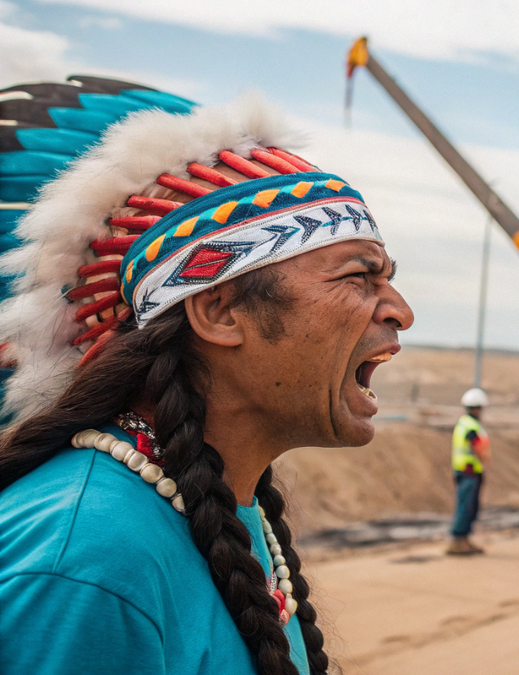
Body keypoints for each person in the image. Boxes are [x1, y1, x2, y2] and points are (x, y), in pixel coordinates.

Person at [0, 77, 412, 675]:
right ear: (220, 312)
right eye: (358, 277)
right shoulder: (88, 563)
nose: (400, 309)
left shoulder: (213, 512)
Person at [448, 388, 490, 555]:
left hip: (465, 471)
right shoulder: (471, 426)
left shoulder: (464, 423)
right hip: (469, 471)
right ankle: (458, 540)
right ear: (477, 408)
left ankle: (464, 540)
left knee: (469, 506)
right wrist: (486, 459)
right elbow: (478, 447)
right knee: (466, 506)